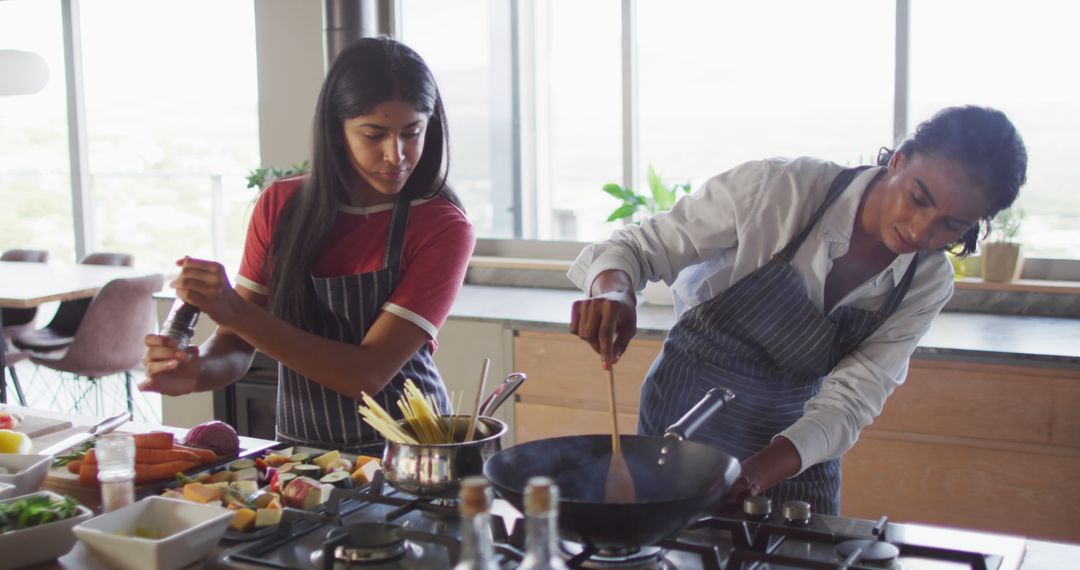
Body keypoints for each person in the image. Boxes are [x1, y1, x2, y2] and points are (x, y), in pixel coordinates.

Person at [568, 106, 1027, 514]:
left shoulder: (925, 281)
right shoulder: (778, 189)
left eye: (951, 224)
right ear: (899, 161)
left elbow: (852, 399)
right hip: (687, 424)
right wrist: (614, 292)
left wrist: (756, 473)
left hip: (798, 444)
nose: (921, 229)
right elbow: (639, 248)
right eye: (918, 198)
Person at [140, 37, 475, 453]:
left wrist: (236, 311)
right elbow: (236, 345)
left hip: (409, 454)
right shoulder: (280, 206)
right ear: (337, 132)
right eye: (374, 135)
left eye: (412, 133)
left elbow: (367, 374)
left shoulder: (441, 225)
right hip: (302, 453)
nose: (397, 155)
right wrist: (195, 372)